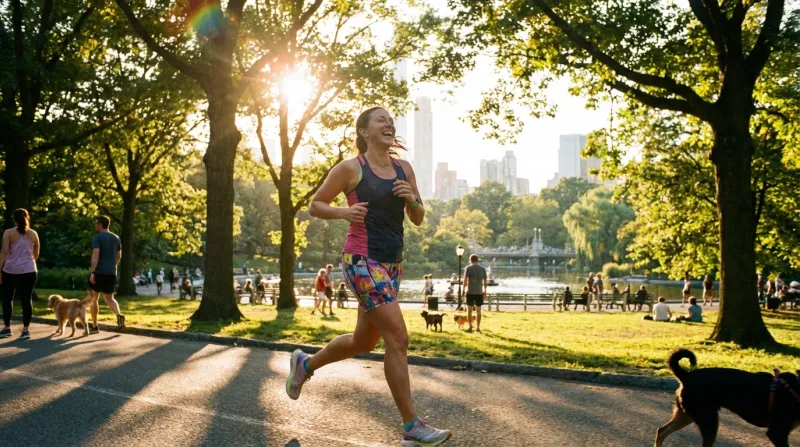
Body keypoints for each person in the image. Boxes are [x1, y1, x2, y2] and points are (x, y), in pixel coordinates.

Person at [287, 107, 451, 446]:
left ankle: (305, 365)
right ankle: (412, 427)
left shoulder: (404, 168)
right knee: (397, 337)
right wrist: (344, 212)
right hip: (361, 260)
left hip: (392, 263)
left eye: (391, 120)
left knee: (365, 341)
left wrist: (413, 199)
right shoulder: (351, 168)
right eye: (381, 120)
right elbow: (315, 205)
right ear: (364, 131)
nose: (389, 124)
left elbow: (418, 217)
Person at [0, 209, 39, 340]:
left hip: (10, 270)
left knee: (7, 299)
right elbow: (36, 254)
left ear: (14, 219)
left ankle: (7, 328)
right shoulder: (33, 234)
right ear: (27, 218)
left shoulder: (8, 233)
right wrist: (27, 262)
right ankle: (26, 330)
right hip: (29, 270)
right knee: (26, 300)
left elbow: (4, 252)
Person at [88, 216, 125, 332]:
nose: (95, 226)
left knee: (94, 298)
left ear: (100, 224)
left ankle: (94, 326)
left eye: (96, 224)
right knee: (110, 298)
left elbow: (95, 255)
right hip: (112, 272)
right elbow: (119, 256)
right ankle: (119, 316)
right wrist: (113, 266)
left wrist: (92, 272)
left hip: (99, 272)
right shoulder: (116, 238)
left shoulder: (97, 238)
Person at [462, 254, 487, 333]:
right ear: (477, 260)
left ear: (470, 260)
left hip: (470, 292)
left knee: (469, 310)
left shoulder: (468, 268)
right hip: (479, 292)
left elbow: (465, 280)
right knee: (478, 310)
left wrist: (463, 289)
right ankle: (478, 327)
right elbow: (485, 281)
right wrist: (485, 291)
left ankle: (470, 327)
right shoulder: (483, 269)